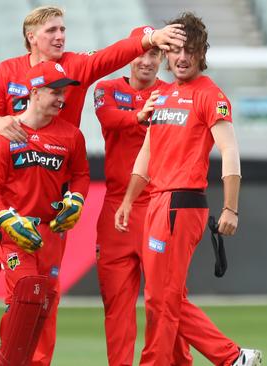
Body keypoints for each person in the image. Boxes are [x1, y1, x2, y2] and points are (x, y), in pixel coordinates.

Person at [0, 5, 187, 364]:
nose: (60, 36)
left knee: (42, 290)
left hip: (48, 197)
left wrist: (149, 39)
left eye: (63, 29)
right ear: (32, 37)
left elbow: (111, 56)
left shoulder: (75, 66)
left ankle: (32, 359)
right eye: (52, 31)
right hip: (0, 191)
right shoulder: (6, 72)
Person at [115, 12, 262, 366]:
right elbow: (147, 153)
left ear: (201, 54)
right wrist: (128, 201)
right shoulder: (163, 95)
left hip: (181, 204)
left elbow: (229, 150)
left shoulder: (211, 95)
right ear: (166, 53)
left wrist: (231, 208)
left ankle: (230, 357)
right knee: (168, 295)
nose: (182, 58)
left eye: (190, 51)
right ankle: (198, 360)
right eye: (176, 50)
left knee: (159, 299)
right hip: (156, 203)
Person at [0, 61, 90, 365]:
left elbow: (80, 174)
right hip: (15, 231)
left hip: (52, 231)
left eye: (63, 92)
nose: (61, 98)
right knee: (27, 294)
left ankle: (25, 360)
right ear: (34, 92)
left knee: (44, 302)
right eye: (54, 92)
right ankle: (8, 361)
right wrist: (6, 219)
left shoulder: (71, 135)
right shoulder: (5, 133)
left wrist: (77, 199)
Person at [94, 26, 192, 366]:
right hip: (116, 207)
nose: (146, 61)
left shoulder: (173, 93)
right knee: (116, 304)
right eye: (142, 52)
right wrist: (139, 115)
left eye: (154, 54)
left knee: (168, 300)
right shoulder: (106, 89)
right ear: (129, 54)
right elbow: (108, 118)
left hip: (159, 204)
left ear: (162, 58)